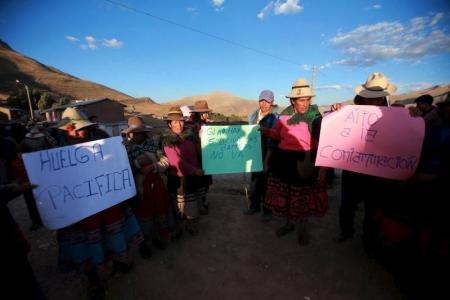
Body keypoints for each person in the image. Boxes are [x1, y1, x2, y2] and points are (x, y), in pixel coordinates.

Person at [54, 107, 144, 300]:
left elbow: (119, 163)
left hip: (107, 200)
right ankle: (94, 279)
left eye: (83, 128)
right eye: (74, 129)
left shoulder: (101, 137)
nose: (81, 133)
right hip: (78, 208)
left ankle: (118, 260)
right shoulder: (54, 148)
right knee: (86, 241)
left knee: (113, 233)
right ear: (64, 129)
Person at [332, 73, 399, 252]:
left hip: (377, 174)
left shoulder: (395, 117)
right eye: (371, 97)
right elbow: (336, 130)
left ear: (384, 98)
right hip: (353, 172)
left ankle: (369, 239)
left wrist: (415, 116)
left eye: (378, 98)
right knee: (346, 205)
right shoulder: (350, 114)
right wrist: (336, 113)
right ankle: (346, 231)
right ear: (363, 97)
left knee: (373, 210)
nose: (375, 101)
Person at [260, 78, 328, 245]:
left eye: (308, 100)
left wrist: (323, 168)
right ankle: (289, 224)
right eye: (301, 100)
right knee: (288, 195)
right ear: (292, 101)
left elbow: (324, 142)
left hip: (305, 161)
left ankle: (302, 228)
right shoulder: (284, 116)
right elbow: (277, 136)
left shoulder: (316, 118)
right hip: (284, 161)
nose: (306, 104)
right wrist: (267, 131)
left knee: (302, 196)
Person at [123, 116, 172, 253]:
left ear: (144, 132)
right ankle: (144, 244)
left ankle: (159, 238)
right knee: (143, 216)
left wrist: (152, 166)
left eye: (139, 132)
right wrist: (138, 163)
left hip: (158, 187)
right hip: (140, 190)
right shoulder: (125, 149)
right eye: (134, 133)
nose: (136, 135)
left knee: (159, 214)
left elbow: (165, 162)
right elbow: (124, 171)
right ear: (129, 133)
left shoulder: (153, 145)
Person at [162, 106, 205, 236]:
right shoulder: (167, 140)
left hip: (192, 176)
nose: (178, 124)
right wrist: (194, 170)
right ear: (169, 124)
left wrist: (199, 139)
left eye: (180, 121)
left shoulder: (190, 136)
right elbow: (175, 161)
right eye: (174, 122)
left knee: (192, 204)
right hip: (178, 179)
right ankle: (179, 228)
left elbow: (198, 152)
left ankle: (191, 225)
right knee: (180, 206)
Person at [244, 89, 279, 220]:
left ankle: (267, 211)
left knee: (267, 184)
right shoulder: (252, 116)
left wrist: (266, 160)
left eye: (267, 101)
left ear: (272, 102)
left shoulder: (275, 118)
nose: (264, 104)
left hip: (267, 155)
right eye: (262, 100)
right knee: (254, 182)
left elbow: (273, 141)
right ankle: (254, 206)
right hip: (254, 155)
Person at [187, 100, 213, 214]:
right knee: (199, 182)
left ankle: (203, 202)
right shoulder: (191, 126)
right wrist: (198, 137)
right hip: (196, 159)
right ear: (198, 113)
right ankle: (200, 205)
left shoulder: (203, 124)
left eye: (207, 112)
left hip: (205, 157)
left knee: (204, 182)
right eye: (204, 112)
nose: (206, 115)